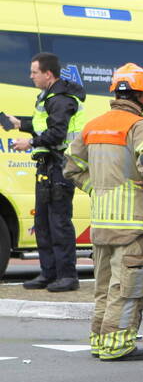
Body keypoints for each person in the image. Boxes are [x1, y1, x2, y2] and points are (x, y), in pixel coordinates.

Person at [64, 64, 143, 361]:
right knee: (127, 289)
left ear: (115, 92)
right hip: (133, 225)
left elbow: (70, 167)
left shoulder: (93, 126)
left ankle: (99, 342)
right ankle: (118, 346)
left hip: (101, 224)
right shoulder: (138, 126)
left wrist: (95, 188)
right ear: (141, 95)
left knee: (104, 288)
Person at [7, 53, 86, 292]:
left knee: (59, 223)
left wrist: (29, 143)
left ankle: (67, 276)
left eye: (34, 72)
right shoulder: (49, 97)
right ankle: (49, 273)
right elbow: (44, 125)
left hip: (60, 168)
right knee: (42, 223)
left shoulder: (61, 100)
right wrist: (20, 123)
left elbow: (57, 134)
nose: (31, 76)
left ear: (48, 74)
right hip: (47, 168)